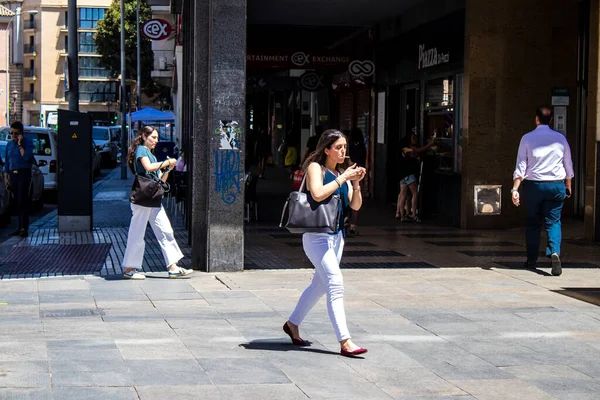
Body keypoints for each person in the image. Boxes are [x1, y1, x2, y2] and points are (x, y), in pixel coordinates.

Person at [283, 129, 368, 357]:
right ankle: (345, 341)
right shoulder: (315, 168)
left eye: (345, 147)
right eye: (339, 147)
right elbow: (318, 193)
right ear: (327, 149)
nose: (343, 151)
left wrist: (357, 183)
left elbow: (356, 206)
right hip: (316, 236)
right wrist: (343, 178)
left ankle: (292, 324)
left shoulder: (342, 173)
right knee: (335, 283)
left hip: (337, 237)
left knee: (319, 286)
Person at [122, 126, 193, 280]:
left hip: (152, 198)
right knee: (137, 233)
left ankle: (172, 266)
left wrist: (168, 168)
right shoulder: (141, 150)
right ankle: (129, 268)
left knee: (165, 230)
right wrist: (165, 163)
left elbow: (160, 179)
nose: (156, 141)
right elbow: (148, 167)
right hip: (144, 199)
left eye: (157, 138)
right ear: (143, 136)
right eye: (153, 137)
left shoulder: (151, 154)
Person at [511, 105, 574, 276]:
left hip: (534, 186)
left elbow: (521, 165)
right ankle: (554, 252)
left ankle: (531, 260)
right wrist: (568, 184)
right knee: (553, 221)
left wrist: (515, 189)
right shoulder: (560, 139)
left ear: (536, 119)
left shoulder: (527, 138)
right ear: (551, 120)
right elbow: (567, 164)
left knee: (533, 223)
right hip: (556, 185)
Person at [395, 132, 435, 222]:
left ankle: (402, 215)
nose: (415, 140)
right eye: (413, 138)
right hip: (408, 174)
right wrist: (430, 145)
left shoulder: (405, 150)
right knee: (414, 193)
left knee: (403, 194)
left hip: (403, 175)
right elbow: (415, 151)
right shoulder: (406, 148)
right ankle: (413, 214)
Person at [3, 122, 34, 237]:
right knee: (16, 201)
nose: (13, 136)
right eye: (12, 133)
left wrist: (20, 144)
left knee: (22, 200)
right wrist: (6, 176)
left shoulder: (27, 143)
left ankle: (24, 227)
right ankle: (19, 226)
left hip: (23, 173)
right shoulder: (9, 145)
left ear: (21, 133)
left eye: (16, 134)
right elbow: (7, 161)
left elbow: (26, 158)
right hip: (13, 174)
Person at [348, 128, 367, 234]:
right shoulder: (362, 147)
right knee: (356, 200)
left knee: (346, 197)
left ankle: (346, 218)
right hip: (359, 174)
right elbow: (366, 161)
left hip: (348, 173)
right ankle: (353, 225)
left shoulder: (348, 147)